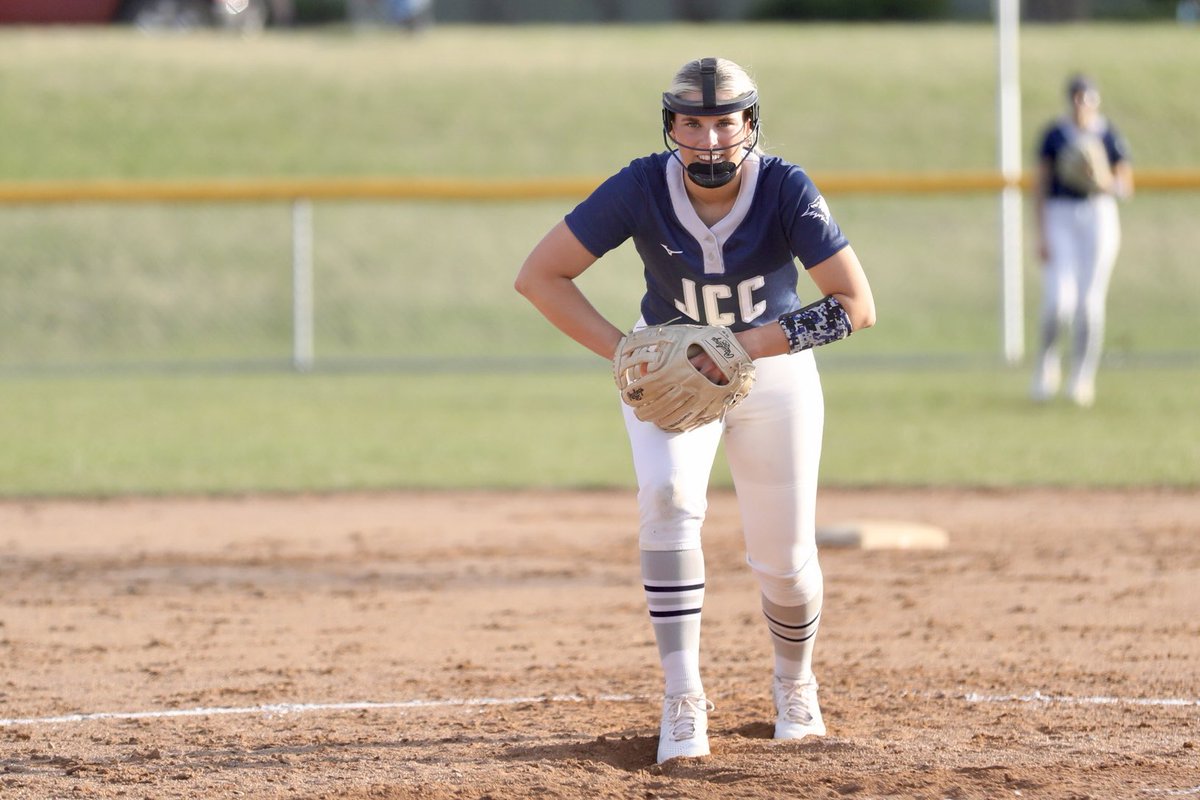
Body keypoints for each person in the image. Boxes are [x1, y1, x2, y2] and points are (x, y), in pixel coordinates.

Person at [514, 57, 875, 763]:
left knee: (784, 558)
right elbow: (540, 276)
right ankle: (683, 695)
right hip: (674, 379)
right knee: (669, 498)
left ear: (750, 124)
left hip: (770, 375)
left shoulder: (785, 187)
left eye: (724, 120)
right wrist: (628, 354)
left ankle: (794, 681)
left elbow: (856, 308)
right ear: (670, 126)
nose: (710, 138)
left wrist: (739, 348)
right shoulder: (641, 185)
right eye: (694, 121)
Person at [1031, 73, 1133, 407]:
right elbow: (1041, 185)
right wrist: (1040, 232)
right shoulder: (1055, 135)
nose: (1081, 104)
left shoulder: (1108, 135)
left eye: (1086, 98)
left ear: (1095, 100)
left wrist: (1101, 180)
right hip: (1061, 212)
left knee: (1089, 304)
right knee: (1058, 302)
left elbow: (1124, 186)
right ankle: (1046, 368)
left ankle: (1081, 378)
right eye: (1076, 97)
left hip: (1097, 215)